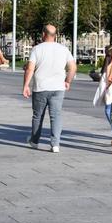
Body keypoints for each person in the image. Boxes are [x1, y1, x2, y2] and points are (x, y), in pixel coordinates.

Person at [22, 25, 76, 153]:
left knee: (37, 116)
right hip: (58, 87)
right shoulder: (64, 49)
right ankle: (55, 144)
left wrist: (26, 85)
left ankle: (34, 141)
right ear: (55, 35)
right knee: (56, 116)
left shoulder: (36, 49)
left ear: (43, 34)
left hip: (41, 87)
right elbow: (73, 68)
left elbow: (30, 68)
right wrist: (68, 81)